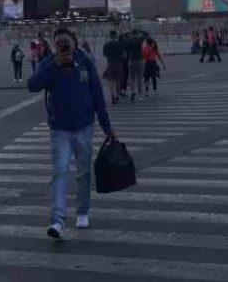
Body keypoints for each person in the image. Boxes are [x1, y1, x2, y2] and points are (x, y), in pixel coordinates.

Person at [27, 26, 115, 239]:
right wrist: (54, 64)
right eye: (59, 44)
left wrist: (107, 128)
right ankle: (57, 221)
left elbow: (96, 95)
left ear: (74, 43)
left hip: (84, 126)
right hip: (59, 129)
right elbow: (32, 85)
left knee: (84, 172)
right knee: (60, 172)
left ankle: (83, 210)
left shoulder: (84, 61)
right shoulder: (50, 63)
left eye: (66, 43)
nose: (63, 47)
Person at [101, 30, 125, 104]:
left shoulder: (106, 44)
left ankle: (112, 95)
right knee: (118, 80)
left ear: (110, 36)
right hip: (118, 63)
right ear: (116, 36)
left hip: (110, 63)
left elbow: (104, 54)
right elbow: (123, 55)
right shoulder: (120, 44)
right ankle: (117, 95)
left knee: (111, 81)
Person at [124, 30, 144, 101]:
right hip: (140, 60)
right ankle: (140, 95)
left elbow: (124, 36)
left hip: (132, 60)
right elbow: (146, 34)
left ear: (132, 34)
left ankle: (133, 91)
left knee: (132, 78)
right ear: (137, 33)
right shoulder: (140, 39)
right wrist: (141, 33)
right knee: (140, 78)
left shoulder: (128, 40)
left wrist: (128, 34)